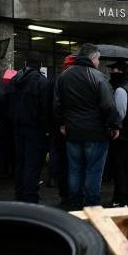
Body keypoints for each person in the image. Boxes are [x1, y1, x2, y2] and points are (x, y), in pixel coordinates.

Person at [54, 44, 121, 210]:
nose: (98, 62)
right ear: (92, 57)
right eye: (98, 59)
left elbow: (57, 104)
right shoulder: (98, 77)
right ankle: (92, 205)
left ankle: (75, 203)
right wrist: (115, 125)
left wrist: (62, 122)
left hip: (72, 131)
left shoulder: (63, 76)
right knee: (94, 170)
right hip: (96, 133)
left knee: (75, 170)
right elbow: (108, 105)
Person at [9, 52, 52, 203]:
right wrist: (47, 128)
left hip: (18, 128)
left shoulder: (15, 80)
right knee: (33, 165)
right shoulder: (42, 82)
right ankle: (30, 196)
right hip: (36, 130)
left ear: (25, 63)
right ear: (40, 65)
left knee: (20, 163)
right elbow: (46, 109)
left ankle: (19, 193)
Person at [107, 60, 128, 206]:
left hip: (122, 134)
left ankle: (120, 198)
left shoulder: (121, 89)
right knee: (127, 166)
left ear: (120, 72)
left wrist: (113, 126)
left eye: (114, 70)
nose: (112, 73)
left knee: (119, 167)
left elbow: (120, 114)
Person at [48, 55, 76, 205]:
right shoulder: (76, 81)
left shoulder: (56, 80)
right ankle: (72, 194)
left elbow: (53, 105)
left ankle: (63, 192)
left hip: (57, 127)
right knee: (74, 163)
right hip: (71, 127)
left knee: (60, 159)